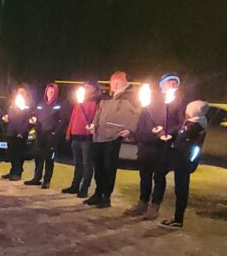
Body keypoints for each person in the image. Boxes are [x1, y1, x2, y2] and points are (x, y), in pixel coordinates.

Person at [126, 74, 185, 219]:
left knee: (159, 176)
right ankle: (142, 202)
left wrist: (168, 133)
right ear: (162, 84)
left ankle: (154, 206)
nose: (171, 84)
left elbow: (181, 123)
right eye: (168, 82)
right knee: (144, 174)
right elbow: (142, 120)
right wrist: (138, 137)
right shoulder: (151, 101)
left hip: (162, 146)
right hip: (146, 143)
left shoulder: (178, 102)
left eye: (174, 82)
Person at [85, 71, 140, 208]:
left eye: (117, 82)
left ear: (124, 82)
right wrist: (93, 125)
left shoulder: (131, 97)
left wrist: (130, 129)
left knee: (109, 167)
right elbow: (99, 112)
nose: (114, 85)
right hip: (99, 135)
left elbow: (138, 114)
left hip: (114, 136)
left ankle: (106, 196)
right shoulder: (107, 97)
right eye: (112, 82)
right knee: (98, 166)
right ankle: (98, 192)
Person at [162, 100, 208, 229]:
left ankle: (178, 219)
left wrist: (173, 144)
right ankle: (177, 217)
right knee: (180, 189)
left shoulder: (195, 126)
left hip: (184, 162)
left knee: (181, 190)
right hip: (181, 160)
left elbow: (186, 144)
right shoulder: (193, 123)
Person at [26, 82, 66, 188]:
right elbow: (35, 115)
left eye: (52, 92)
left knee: (49, 158)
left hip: (51, 135)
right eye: (48, 91)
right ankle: (36, 178)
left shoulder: (59, 104)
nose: (50, 93)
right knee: (38, 156)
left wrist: (55, 132)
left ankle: (47, 180)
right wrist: (33, 120)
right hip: (40, 134)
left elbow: (62, 121)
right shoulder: (41, 104)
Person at [62, 84, 98, 196]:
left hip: (86, 138)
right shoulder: (79, 102)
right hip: (76, 137)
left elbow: (97, 119)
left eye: (87, 87)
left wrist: (92, 128)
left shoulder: (95, 103)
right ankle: (75, 185)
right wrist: (69, 133)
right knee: (78, 164)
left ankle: (84, 188)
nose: (85, 88)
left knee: (87, 164)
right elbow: (73, 119)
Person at [0, 84, 32, 180]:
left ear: (26, 93)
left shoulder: (29, 104)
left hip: (20, 133)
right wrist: (6, 119)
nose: (20, 94)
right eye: (19, 92)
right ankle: (12, 170)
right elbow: (10, 114)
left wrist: (22, 132)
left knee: (19, 153)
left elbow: (27, 120)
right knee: (11, 153)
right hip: (11, 131)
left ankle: (17, 173)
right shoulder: (14, 103)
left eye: (22, 92)